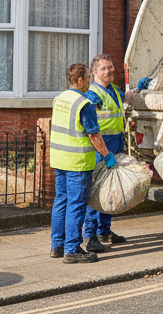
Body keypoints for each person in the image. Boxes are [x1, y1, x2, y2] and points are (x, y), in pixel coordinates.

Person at [49, 63, 114, 263]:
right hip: (77, 162)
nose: (89, 81)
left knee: (61, 201)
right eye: (87, 77)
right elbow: (94, 135)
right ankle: (72, 249)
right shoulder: (83, 104)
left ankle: (57, 246)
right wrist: (106, 155)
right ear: (79, 80)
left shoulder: (59, 99)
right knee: (77, 205)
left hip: (59, 159)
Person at [81, 53, 143, 250]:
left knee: (111, 190)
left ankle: (104, 230)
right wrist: (105, 153)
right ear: (94, 73)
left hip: (115, 143)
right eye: (104, 68)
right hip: (100, 147)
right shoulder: (92, 95)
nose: (110, 71)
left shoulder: (114, 90)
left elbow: (127, 98)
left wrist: (139, 89)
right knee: (97, 191)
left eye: (111, 67)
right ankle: (90, 236)